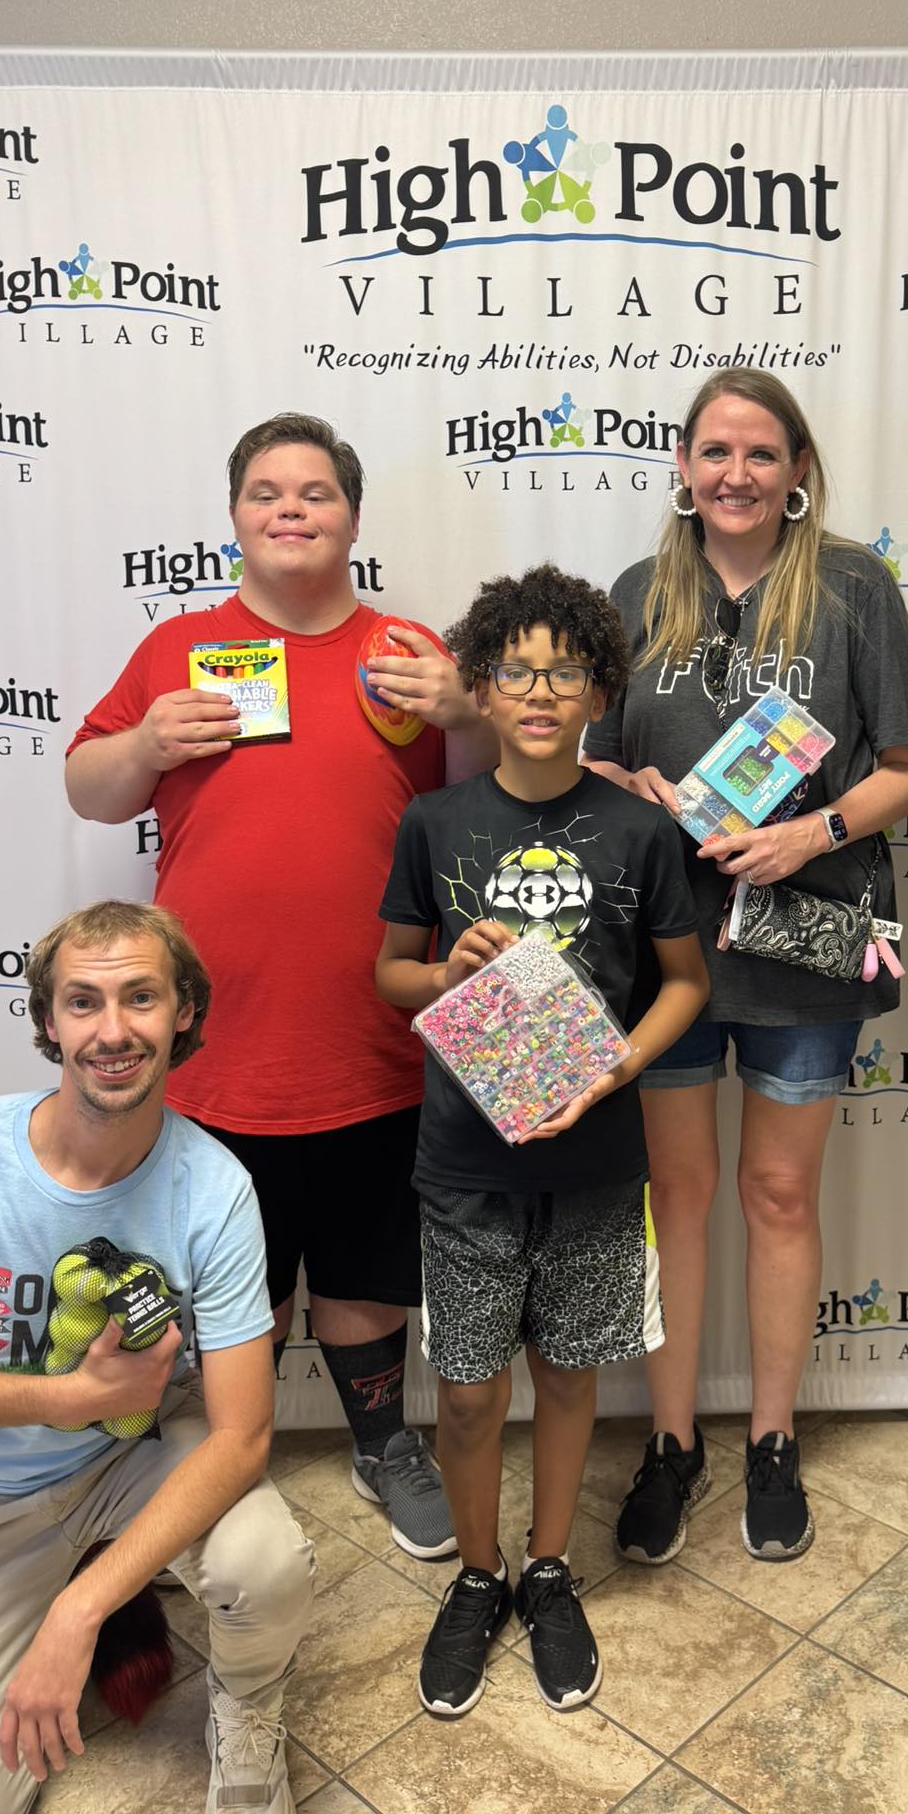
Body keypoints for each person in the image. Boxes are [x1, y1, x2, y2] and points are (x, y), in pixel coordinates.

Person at [67, 413, 492, 1563]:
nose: (291, 507)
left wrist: (464, 713)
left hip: (372, 1026)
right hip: (213, 1042)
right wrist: (147, 739)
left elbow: (488, 801)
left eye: (315, 490)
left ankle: (379, 1440)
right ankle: (179, 1448)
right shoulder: (178, 648)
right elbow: (91, 792)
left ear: (353, 516)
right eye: (267, 490)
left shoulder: (409, 649)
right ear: (236, 515)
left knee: (364, 1264)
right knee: (210, 1272)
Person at [0, 901, 315, 1814]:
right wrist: (71, 1398)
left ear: (184, 1012)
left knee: (263, 1564)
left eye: (141, 998)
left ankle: (248, 1723)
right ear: (47, 1023)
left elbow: (242, 1436)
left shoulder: (216, 1186)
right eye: (84, 1002)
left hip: (139, 1453)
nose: (113, 1030)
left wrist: (79, 1610)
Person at [583, 370, 908, 1564]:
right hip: (669, 953)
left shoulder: (853, 586)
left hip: (806, 944)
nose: (735, 473)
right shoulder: (638, 595)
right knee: (674, 1197)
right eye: (714, 450)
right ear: (681, 464)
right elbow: (594, 764)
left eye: (761, 453)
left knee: (780, 1195)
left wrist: (806, 833)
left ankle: (773, 1437)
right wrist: (625, 790)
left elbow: (906, 766)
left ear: (796, 472)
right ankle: (673, 1440)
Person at [375, 564, 708, 1716]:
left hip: (599, 1160)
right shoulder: (436, 821)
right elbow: (388, 971)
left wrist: (617, 1065)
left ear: (599, 689)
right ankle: (480, 1573)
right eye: (514, 670)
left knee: (570, 1376)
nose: (538, 691)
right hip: (465, 1162)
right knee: (468, 1394)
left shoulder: (640, 831)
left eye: (564, 672)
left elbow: (684, 982)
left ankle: (550, 1562)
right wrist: (442, 968)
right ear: (479, 683)